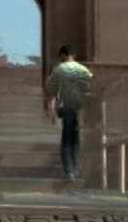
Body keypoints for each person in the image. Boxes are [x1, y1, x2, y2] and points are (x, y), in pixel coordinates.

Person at [44, 45, 92, 182]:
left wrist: (51, 108)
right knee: (75, 139)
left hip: (65, 106)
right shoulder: (83, 70)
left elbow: (50, 87)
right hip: (79, 107)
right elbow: (90, 87)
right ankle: (75, 168)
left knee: (67, 138)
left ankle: (69, 171)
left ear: (63, 55)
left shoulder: (59, 69)